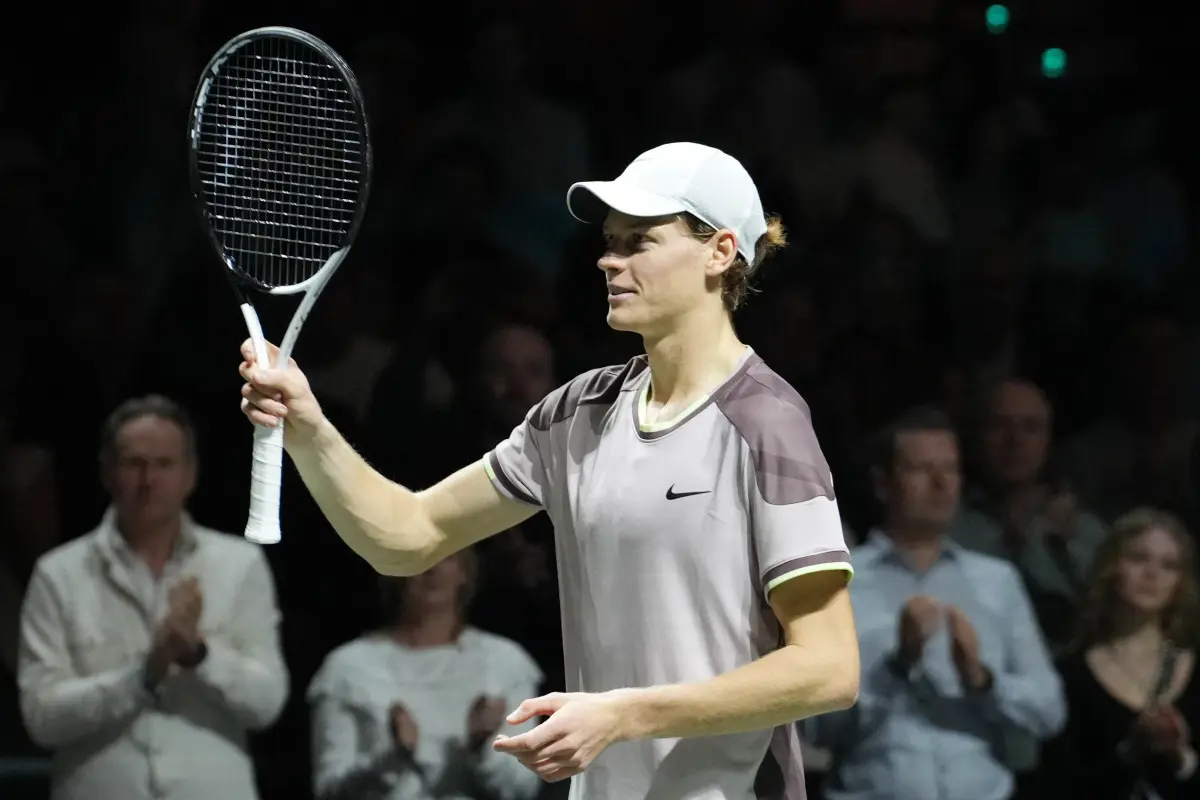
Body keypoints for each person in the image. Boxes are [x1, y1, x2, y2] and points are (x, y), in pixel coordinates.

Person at [239, 141, 860, 799]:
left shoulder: (766, 423)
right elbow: (407, 537)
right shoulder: (577, 414)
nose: (609, 260)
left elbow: (829, 668)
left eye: (640, 241)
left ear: (720, 251)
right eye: (610, 241)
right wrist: (308, 426)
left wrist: (624, 715)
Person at [18, 395, 289, 800]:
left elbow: (267, 703)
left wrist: (199, 655)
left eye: (164, 464)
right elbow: (41, 717)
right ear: (107, 472)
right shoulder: (58, 574)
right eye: (134, 464)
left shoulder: (239, 564)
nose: (149, 481)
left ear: (190, 474)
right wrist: (142, 676)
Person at [802, 407, 1064, 800]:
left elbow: (1049, 711)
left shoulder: (997, 581)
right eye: (921, 469)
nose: (941, 483)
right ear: (883, 484)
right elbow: (814, 728)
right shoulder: (838, 584)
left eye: (950, 469)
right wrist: (896, 665)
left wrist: (983, 681)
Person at [308, 547, 543, 800]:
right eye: (418, 555)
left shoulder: (504, 662)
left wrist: (482, 747)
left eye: (446, 556)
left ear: (464, 571)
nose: (433, 568)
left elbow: (523, 788)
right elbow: (329, 790)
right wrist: (390, 760)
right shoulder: (348, 668)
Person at [1040, 508, 1200, 799]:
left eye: (1168, 566)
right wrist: (1130, 753)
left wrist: (1180, 759)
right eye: (1138, 558)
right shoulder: (1071, 674)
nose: (1152, 574)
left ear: (1180, 583)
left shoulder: (1195, 664)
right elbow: (1059, 783)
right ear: (1112, 566)